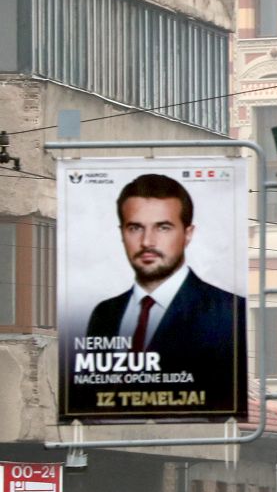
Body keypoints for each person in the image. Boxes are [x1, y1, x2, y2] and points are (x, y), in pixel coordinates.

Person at [83, 173, 247, 414]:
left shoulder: (229, 312)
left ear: (188, 233)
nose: (147, 241)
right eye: (135, 227)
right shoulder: (104, 314)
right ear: (122, 233)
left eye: (163, 227)